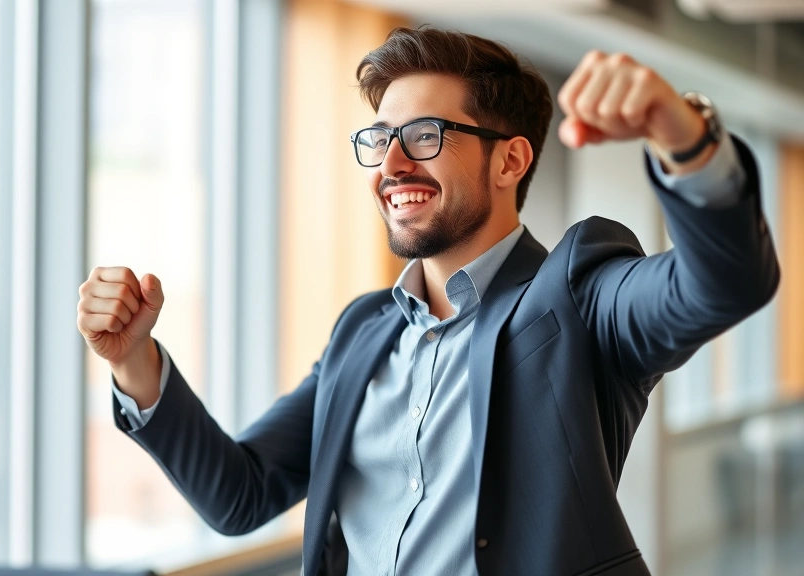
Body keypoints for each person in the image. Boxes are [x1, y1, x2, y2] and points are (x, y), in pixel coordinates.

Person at [76, 28, 779, 576]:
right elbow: (241, 494)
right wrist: (134, 362)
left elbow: (724, 282)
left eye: (423, 136)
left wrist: (685, 138)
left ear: (509, 160)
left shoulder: (580, 295)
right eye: (381, 139)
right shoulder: (363, 331)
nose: (390, 165)